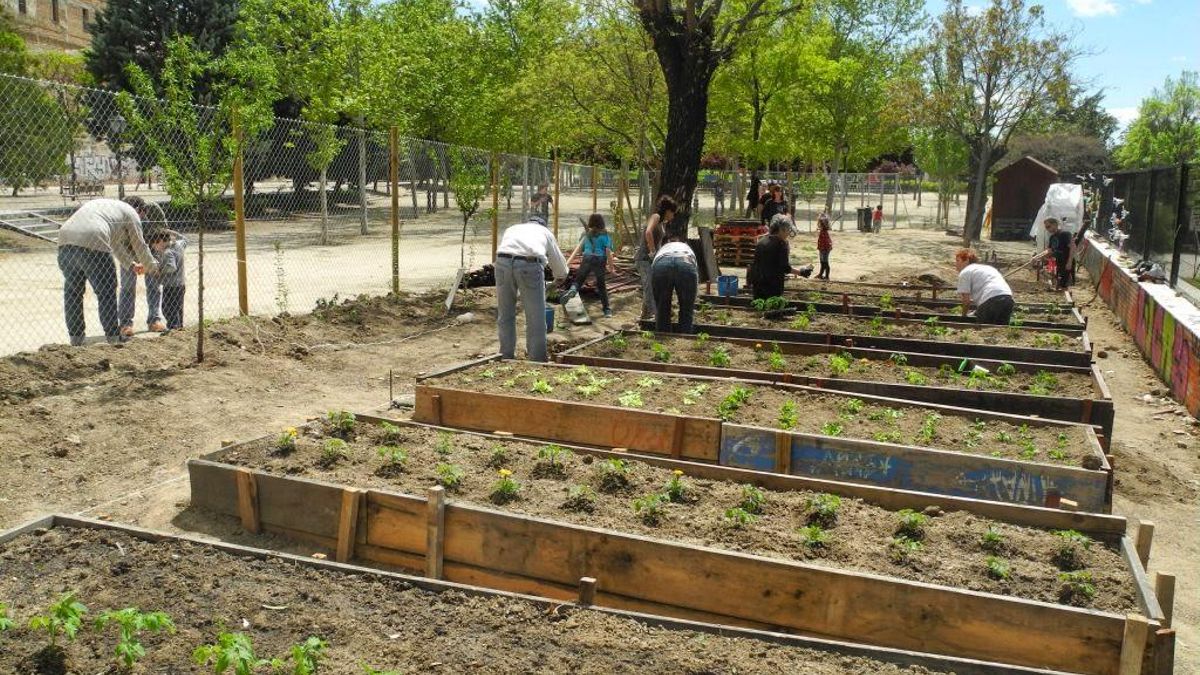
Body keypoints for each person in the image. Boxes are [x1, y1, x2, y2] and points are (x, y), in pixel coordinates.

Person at [57, 198, 158, 346]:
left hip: (65, 240)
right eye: (143, 215)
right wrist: (153, 267)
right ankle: (113, 337)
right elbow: (139, 245)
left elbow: (114, 243)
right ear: (139, 210)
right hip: (94, 239)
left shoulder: (106, 207)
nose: (142, 219)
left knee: (73, 293)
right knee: (107, 292)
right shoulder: (131, 213)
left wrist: (130, 264)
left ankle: (76, 338)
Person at [494, 215, 570, 362]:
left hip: (502, 264)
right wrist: (561, 276)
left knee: (505, 313)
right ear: (543, 225)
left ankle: (506, 355)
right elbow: (558, 262)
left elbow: (510, 249)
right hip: (528, 265)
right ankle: (537, 358)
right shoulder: (545, 232)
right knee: (536, 316)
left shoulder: (513, 228)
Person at [118, 196, 169, 336]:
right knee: (127, 287)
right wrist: (132, 263)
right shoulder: (121, 214)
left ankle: (154, 320)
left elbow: (164, 236)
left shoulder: (155, 211)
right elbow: (119, 245)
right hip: (129, 253)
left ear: (142, 210)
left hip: (151, 250)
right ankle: (125, 324)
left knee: (154, 285)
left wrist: (152, 262)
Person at [565, 213, 615, 318]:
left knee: (579, 280)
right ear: (602, 223)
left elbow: (578, 249)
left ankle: (573, 290)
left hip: (587, 258)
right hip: (600, 260)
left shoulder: (585, 234)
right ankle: (607, 311)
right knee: (601, 286)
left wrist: (567, 264)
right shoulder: (605, 235)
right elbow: (608, 252)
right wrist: (611, 267)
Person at [634, 195, 676, 322]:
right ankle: (657, 314)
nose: (673, 216)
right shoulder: (656, 217)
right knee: (649, 287)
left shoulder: (662, 224)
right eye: (672, 213)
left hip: (651, 259)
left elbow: (658, 241)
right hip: (643, 258)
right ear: (668, 210)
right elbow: (648, 233)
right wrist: (652, 251)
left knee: (651, 285)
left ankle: (645, 314)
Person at [650, 234, 699, 334]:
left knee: (662, 307)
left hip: (662, 264)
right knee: (687, 307)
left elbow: (653, 267)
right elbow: (695, 268)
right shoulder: (686, 247)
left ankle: (662, 335)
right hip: (685, 262)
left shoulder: (662, 248)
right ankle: (685, 337)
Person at [750, 214, 805, 300]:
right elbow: (785, 268)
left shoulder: (762, 241)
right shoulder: (781, 244)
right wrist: (801, 272)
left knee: (759, 309)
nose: (788, 233)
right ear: (781, 230)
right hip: (772, 286)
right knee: (772, 309)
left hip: (757, 284)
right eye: (787, 230)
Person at [954, 248, 1014, 325]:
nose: (956, 264)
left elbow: (966, 302)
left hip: (991, 300)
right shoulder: (987, 268)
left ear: (967, 260)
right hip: (1008, 299)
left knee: (985, 330)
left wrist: (963, 316)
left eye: (958, 261)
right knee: (1000, 331)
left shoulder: (965, 272)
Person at [148, 229, 188, 331]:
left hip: (171, 285)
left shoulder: (167, 252)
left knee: (168, 308)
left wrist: (159, 271)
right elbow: (185, 239)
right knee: (178, 308)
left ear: (160, 241)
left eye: (155, 246)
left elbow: (171, 267)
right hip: (181, 284)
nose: (156, 250)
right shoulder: (178, 245)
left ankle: (173, 328)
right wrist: (170, 232)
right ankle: (179, 327)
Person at [1032, 217, 1073, 290]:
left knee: (1064, 285)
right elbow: (1049, 250)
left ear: (1055, 224)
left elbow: (1073, 247)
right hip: (1059, 261)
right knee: (1059, 283)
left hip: (1066, 261)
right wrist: (1036, 257)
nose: (1047, 229)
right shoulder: (1052, 237)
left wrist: (1069, 262)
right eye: (1046, 228)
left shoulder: (1065, 234)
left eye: (1048, 226)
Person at [816, 211, 833, 280]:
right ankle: (820, 274)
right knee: (822, 262)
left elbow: (826, 243)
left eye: (819, 223)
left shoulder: (824, 232)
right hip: (822, 248)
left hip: (825, 248)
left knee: (825, 262)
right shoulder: (823, 231)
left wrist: (823, 249)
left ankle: (827, 276)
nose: (818, 224)